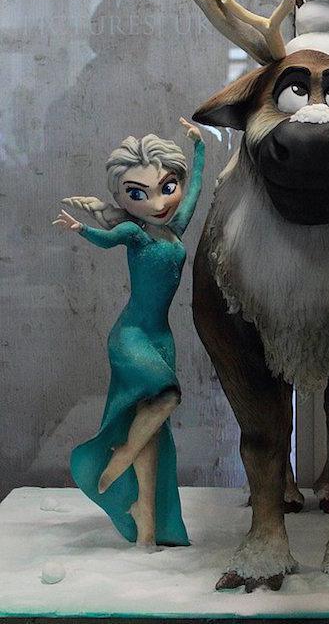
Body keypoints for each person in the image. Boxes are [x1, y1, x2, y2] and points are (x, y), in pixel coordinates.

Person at [52, 118, 205, 547]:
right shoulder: (132, 233)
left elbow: (194, 190)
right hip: (131, 336)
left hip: (160, 338)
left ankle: (146, 523)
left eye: (166, 187)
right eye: (138, 194)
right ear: (121, 198)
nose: (157, 202)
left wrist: (199, 148)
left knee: (152, 427)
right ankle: (121, 453)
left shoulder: (173, 229)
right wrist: (82, 229)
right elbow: (107, 239)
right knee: (167, 396)